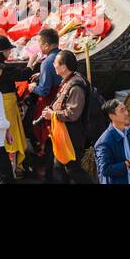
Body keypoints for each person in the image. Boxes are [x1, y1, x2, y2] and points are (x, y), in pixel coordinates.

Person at [41, 49, 92, 184]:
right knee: (60, 168)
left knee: (72, 169)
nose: (53, 65)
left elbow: (72, 114)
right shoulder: (68, 81)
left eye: (55, 63)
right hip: (63, 134)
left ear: (63, 67)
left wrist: (53, 114)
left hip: (72, 135)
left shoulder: (75, 86)